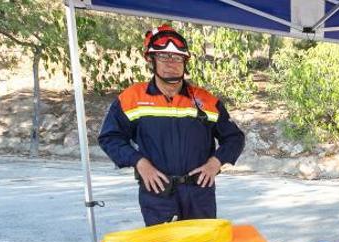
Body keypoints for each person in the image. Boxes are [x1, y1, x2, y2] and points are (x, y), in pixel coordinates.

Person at [98, 24, 245, 226]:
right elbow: (110, 137)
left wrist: (215, 163)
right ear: (151, 60)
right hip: (158, 193)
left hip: (199, 194)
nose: (171, 63)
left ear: (185, 62)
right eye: (163, 57)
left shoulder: (206, 100)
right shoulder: (132, 98)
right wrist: (139, 162)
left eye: (177, 58)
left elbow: (235, 138)